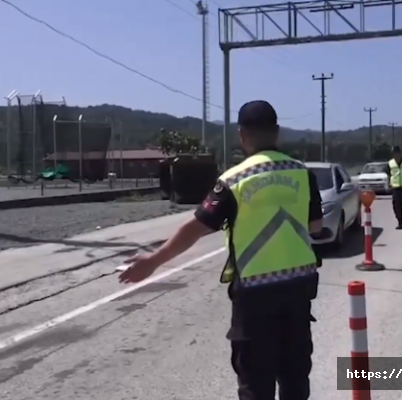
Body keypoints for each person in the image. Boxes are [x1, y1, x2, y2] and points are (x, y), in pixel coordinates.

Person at [119, 100, 323, 400]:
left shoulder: (234, 181)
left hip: (255, 295)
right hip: (297, 290)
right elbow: (315, 227)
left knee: (256, 381)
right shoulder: (303, 174)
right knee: (294, 376)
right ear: (277, 133)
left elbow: (196, 228)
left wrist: (153, 261)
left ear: (241, 135)